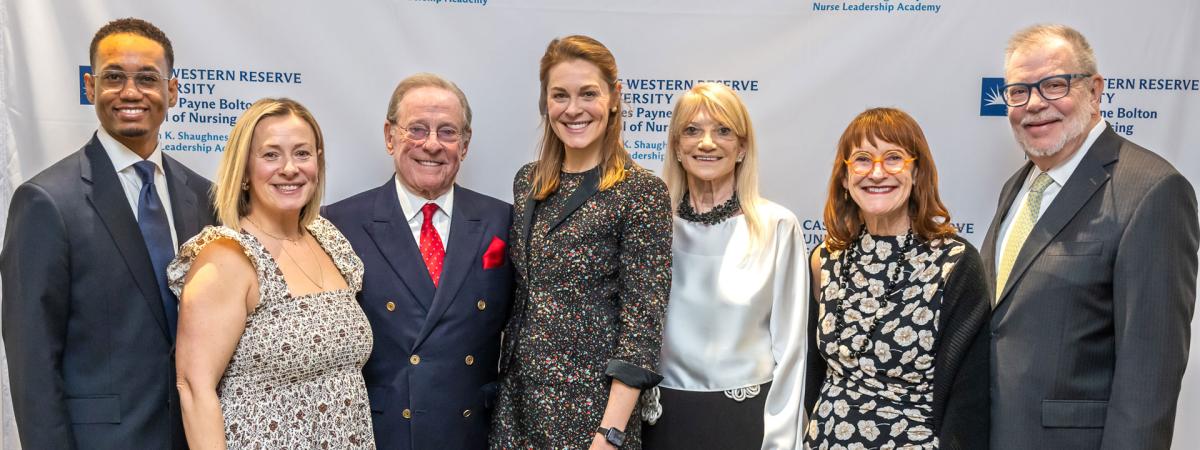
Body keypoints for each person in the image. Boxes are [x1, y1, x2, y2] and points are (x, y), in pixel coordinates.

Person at [982, 24, 1198, 450]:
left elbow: (1148, 378)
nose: (1035, 104)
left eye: (1054, 85)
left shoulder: (1151, 190)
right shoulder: (1019, 185)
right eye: (1019, 91)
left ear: (1095, 91)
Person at [0, 18, 213, 449]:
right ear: (90, 87)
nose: (131, 92)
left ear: (171, 91)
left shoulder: (203, 197)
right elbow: (33, 365)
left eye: (147, 79)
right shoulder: (46, 202)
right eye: (113, 76)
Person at [490, 35, 673, 450]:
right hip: (517, 408)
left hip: (592, 414)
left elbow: (642, 326)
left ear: (613, 98)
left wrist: (610, 435)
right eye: (560, 95)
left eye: (588, 93)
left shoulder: (641, 192)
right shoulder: (528, 181)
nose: (573, 109)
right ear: (546, 102)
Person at [323, 73, 514, 449]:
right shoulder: (339, 224)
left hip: (472, 434)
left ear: (465, 143)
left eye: (447, 132)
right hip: (381, 434)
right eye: (417, 129)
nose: (432, 144)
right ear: (389, 135)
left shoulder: (503, 221)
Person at [169, 98, 374, 448]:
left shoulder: (329, 240)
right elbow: (193, 387)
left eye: (302, 153)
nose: (290, 168)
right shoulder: (227, 256)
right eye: (271, 155)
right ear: (245, 171)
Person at [805, 108, 990, 449]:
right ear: (845, 178)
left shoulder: (954, 262)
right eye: (862, 159)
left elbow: (970, 399)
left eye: (894, 158)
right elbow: (812, 376)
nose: (877, 173)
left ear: (917, 172)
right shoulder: (823, 259)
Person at [639, 83, 807, 450]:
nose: (707, 143)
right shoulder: (650, 228)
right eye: (692, 130)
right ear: (676, 147)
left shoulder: (777, 226)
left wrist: (781, 442)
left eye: (723, 130)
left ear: (742, 147)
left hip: (746, 424)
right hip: (661, 423)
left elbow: (792, 350)